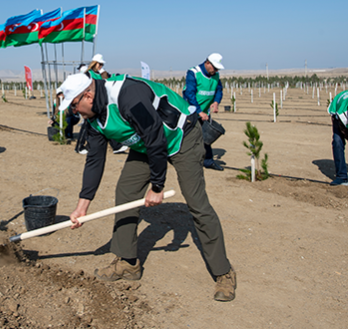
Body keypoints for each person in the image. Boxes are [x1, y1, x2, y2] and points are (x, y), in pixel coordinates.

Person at [59, 72, 236, 302]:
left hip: (182, 137)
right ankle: (128, 262)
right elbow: (94, 160)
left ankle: (223, 272)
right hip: (146, 145)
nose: (75, 113)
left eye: (74, 106)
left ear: (88, 97)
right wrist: (82, 207)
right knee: (126, 191)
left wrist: (157, 185)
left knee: (197, 202)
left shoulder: (127, 96)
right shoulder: (93, 118)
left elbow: (156, 136)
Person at [183, 53, 225, 171]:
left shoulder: (215, 76)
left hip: (205, 112)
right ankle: (186, 162)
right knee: (187, 137)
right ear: (207, 63)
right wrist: (199, 111)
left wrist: (216, 102)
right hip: (190, 111)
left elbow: (219, 90)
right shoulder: (194, 73)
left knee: (206, 136)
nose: (216, 70)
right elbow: (189, 94)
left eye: (217, 68)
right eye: (214, 67)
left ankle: (208, 161)